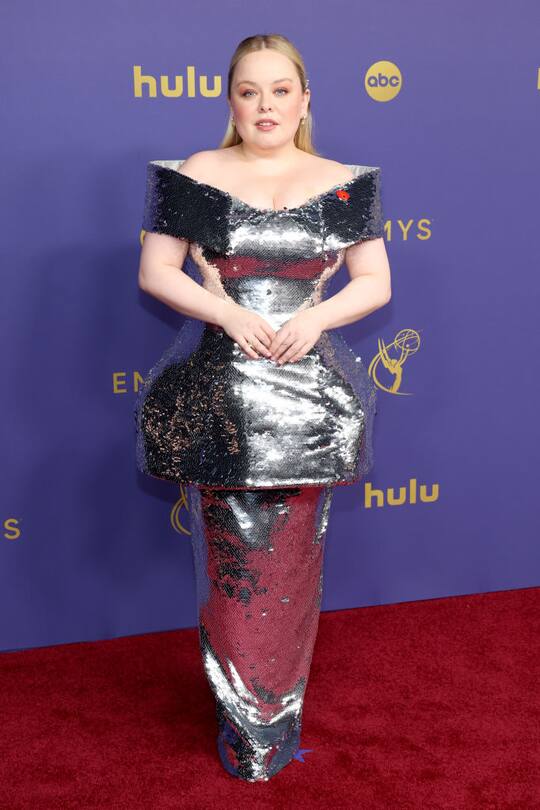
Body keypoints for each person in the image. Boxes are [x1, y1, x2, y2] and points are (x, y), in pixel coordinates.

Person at [134, 33, 391, 782]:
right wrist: (225, 311)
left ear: (305, 100)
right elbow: (156, 270)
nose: (266, 105)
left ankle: (276, 715)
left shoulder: (343, 182)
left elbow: (375, 281)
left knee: (293, 562)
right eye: (250, 92)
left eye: (281, 90)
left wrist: (317, 319)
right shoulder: (197, 173)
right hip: (224, 397)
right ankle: (243, 719)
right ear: (231, 101)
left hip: (310, 399)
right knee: (233, 564)